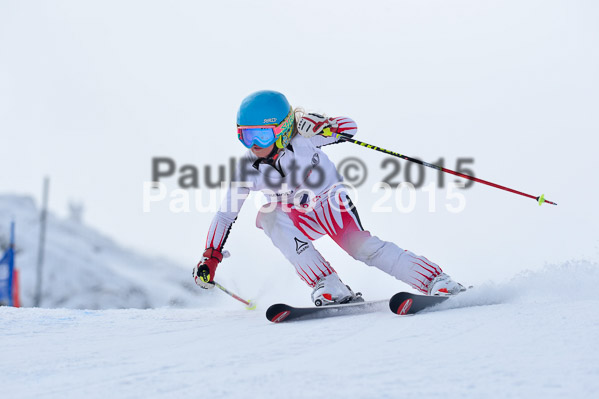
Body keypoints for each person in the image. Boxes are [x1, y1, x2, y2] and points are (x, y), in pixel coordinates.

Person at [193, 90, 464, 306]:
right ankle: (328, 283)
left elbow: (350, 128)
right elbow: (225, 214)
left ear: (283, 129)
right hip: (299, 219)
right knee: (268, 215)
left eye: (261, 135)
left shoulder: (303, 139)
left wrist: (324, 125)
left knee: (362, 249)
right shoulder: (246, 169)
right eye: (245, 136)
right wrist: (210, 257)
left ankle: (436, 280)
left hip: (331, 205)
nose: (253, 144)